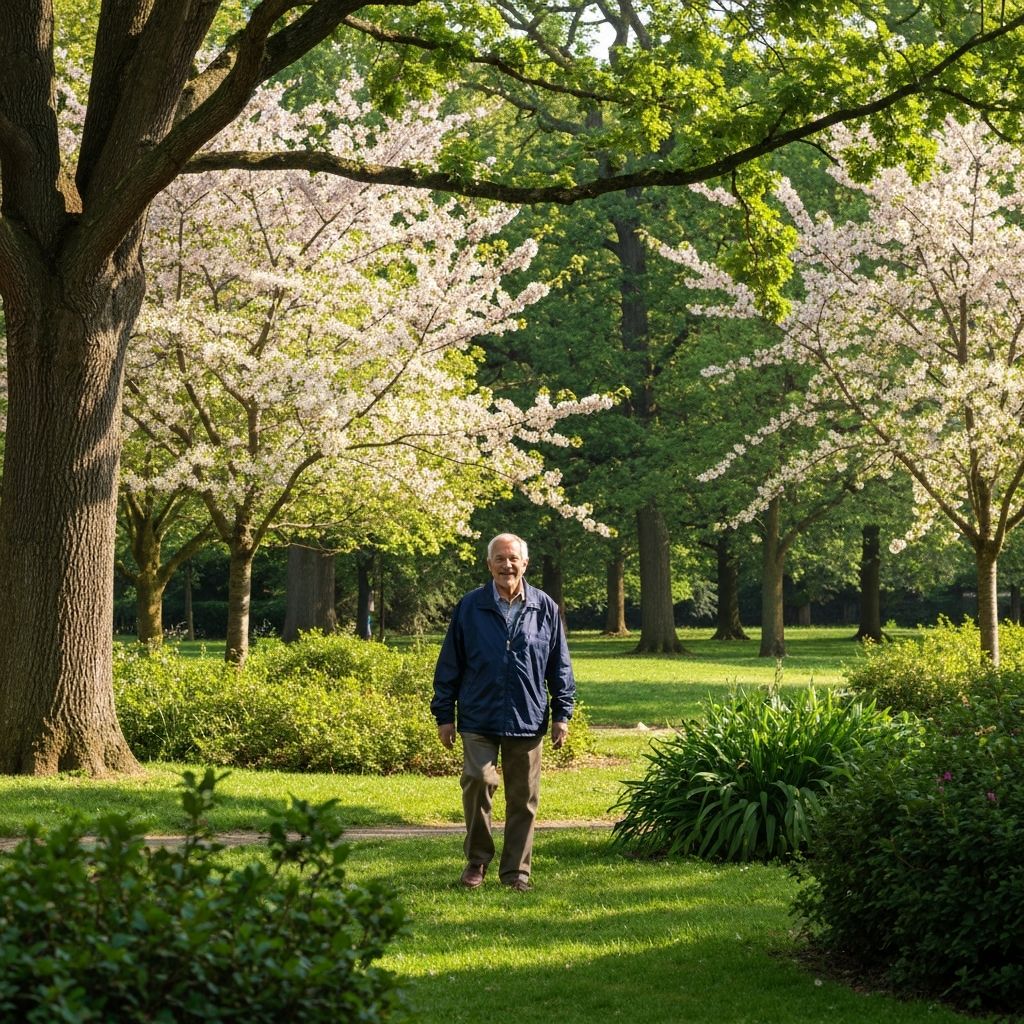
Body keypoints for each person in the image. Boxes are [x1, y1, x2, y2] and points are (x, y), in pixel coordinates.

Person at [431, 532, 575, 892]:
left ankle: (516, 873)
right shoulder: (470, 606)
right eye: (500, 558)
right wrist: (444, 715)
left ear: (524, 564)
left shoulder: (544, 607)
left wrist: (562, 713)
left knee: (523, 800)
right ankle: (477, 859)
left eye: (513, 559)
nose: (507, 565)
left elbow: (559, 665)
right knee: (478, 781)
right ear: (489, 564)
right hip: (478, 714)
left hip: (527, 715)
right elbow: (450, 663)